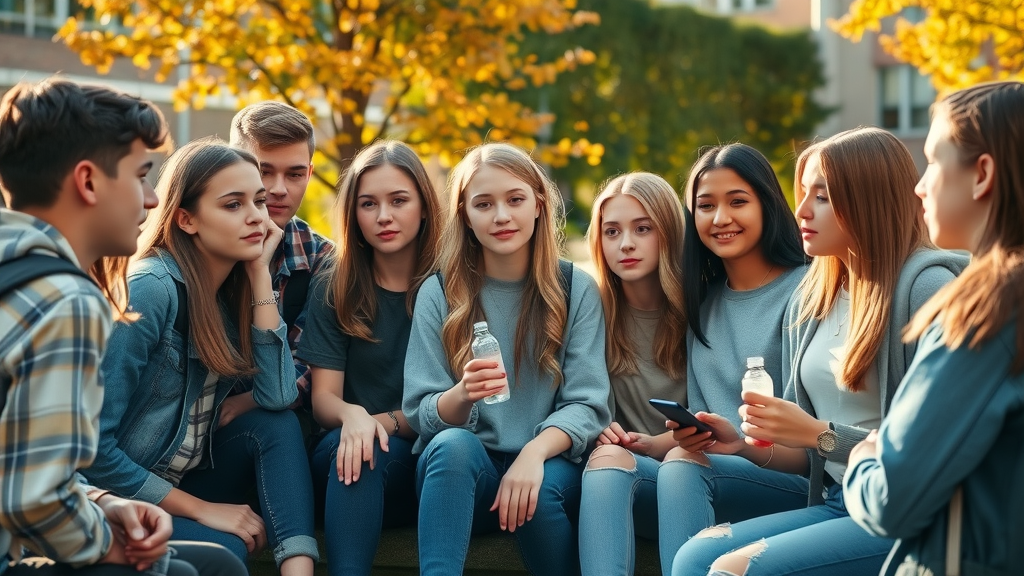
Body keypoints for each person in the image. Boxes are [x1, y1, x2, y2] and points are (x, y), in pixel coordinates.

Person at [670, 127, 966, 576]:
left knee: (736, 569)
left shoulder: (925, 289)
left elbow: (936, 447)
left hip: (907, 512)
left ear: (868, 199)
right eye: (804, 193)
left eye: (822, 197)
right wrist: (744, 445)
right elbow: (806, 455)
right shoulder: (814, 297)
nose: (802, 210)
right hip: (837, 501)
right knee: (693, 558)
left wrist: (819, 433)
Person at [0, 78, 245, 576]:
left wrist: (102, 502)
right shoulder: (66, 300)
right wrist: (104, 543)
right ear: (88, 182)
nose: (152, 200)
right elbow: (31, 498)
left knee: (212, 564)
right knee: (188, 570)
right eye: (140, 176)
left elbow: (18, 464)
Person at [81, 137, 318, 575]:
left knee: (276, 425)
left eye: (258, 201)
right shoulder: (150, 290)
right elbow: (93, 453)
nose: (257, 216)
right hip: (116, 495)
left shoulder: (232, 293)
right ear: (186, 219)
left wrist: (259, 275)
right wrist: (202, 509)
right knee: (226, 549)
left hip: (181, 477)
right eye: (233, 205)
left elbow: (278, 396)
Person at [402, 142, 611, 576]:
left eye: (515, 200)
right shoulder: (438, 292)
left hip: (547, 462)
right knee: (452, 447)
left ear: (539, 204)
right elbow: (421, 412)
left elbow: (587, 403)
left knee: (541, 494)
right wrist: (462, 394)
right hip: (464, 476)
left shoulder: (576, 289)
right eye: (484, 204)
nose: (501, 216)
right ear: (465, 215)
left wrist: (533, 453)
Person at [844, 82, 1024, 576]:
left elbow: (889, 501)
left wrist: (864, 458)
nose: (919, 187)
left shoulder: (990, 311)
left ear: (982, 173)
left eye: (932, 162)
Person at [654, 143, 808, 574]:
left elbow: (812, 439)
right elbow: (708, 424)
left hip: (794, 480)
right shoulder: (702, 306)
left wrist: (739, 445)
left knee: (682, 467)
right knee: (608, 470)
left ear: (768, 205)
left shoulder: (809, 290)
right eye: (706, 206)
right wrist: (645, 443)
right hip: (713, 472)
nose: (720, 218)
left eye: (737, 202)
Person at [298, 141, 443, 576]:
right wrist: (354, 417)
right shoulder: (335, 283)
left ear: (424, 206)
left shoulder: (453, 286)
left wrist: (381, 421)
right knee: (361, 451)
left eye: (399, 200)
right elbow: (324, 399)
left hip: (430, 458)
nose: (384, 216)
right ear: (353, 214)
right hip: (347, 456)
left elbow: (456, 402)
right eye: (368, 204)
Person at [576, 173, 687, 576]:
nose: (625, 244)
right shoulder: (590, 309)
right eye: (612, 231)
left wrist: (658, 443)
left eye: (643, 229)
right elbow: (577, 400)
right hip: (618, 476)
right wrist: (598, 428)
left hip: (694, 472)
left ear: (669, 232)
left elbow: (721, 418)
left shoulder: (702, 309)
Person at [228, 101, 333, 420]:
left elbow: (309, 367)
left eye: (295, 174)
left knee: (279, 423)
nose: (278, 189)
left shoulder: (321, 258)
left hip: (274, 415)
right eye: (264, 171)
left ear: (310, 174)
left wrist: (245, 403)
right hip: (194, 424)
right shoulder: (198, 244)